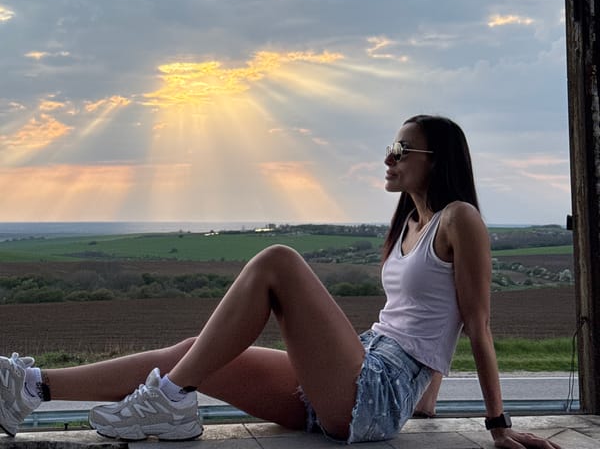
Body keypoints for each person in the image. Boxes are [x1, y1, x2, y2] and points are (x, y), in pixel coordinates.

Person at [0, 115, 561, 448]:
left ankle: (168, 399)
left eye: (400, 149)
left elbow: (475, 323)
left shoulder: (460, 218)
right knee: (195, 350)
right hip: (359, 372)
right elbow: (426, 320)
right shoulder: (410, 223)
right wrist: (427, 401)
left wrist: (497, 424)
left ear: (436, 159)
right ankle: (31, 388)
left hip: (374, 390)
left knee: (278, 261)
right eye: (389, 148)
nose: (388, 158)